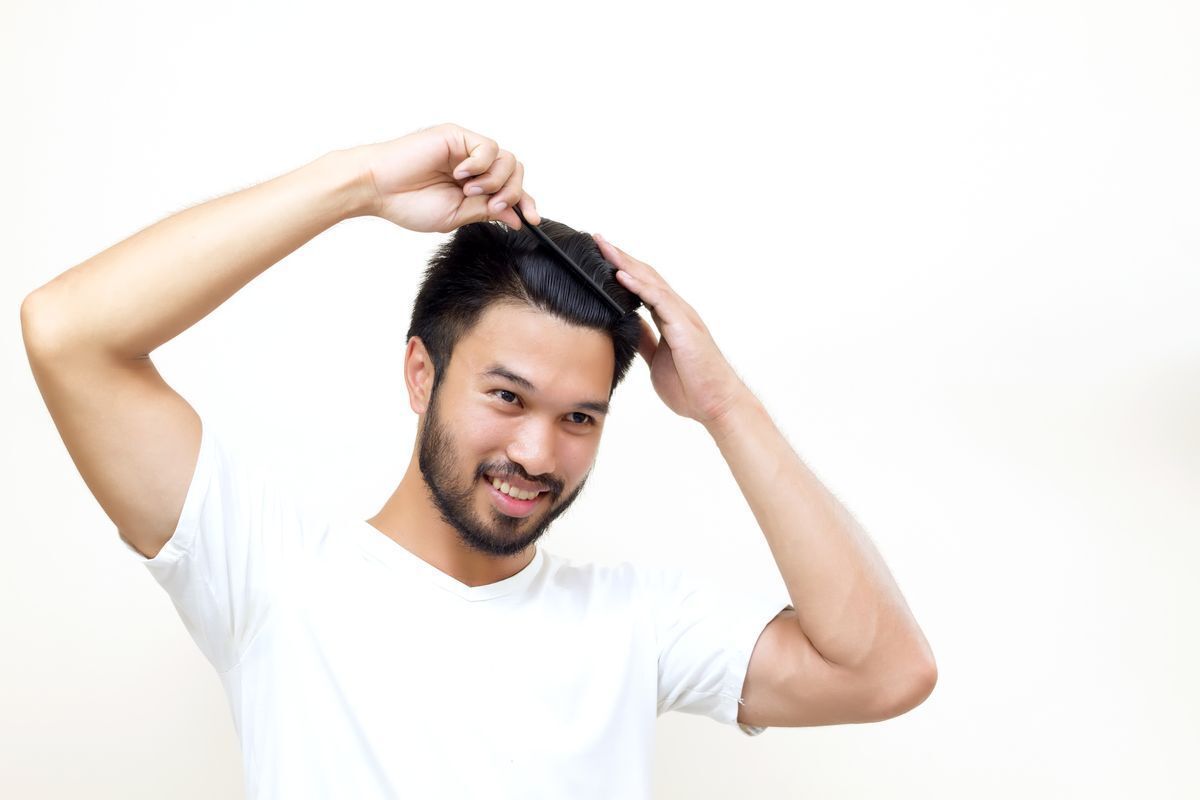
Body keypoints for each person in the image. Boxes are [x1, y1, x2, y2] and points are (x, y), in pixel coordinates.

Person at [20, 122, 937, 798]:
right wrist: (360, 185)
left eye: (580, 416)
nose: (538, 453)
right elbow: (68, 333)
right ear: (422, 371)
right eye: (506, 397)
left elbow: (885, 671)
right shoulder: (272, 577)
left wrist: (726, 405)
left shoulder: (633, 624)